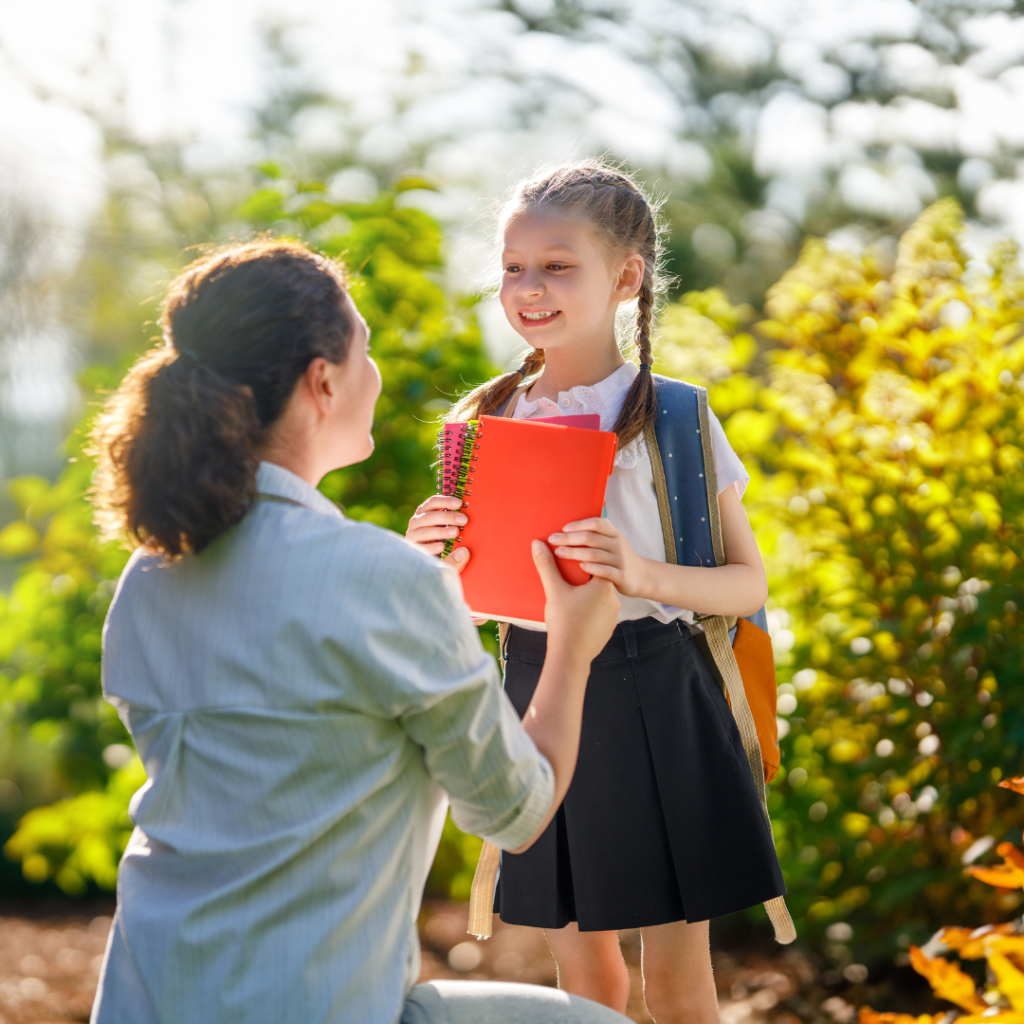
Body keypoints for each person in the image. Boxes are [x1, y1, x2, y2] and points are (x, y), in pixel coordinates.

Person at [87, 239, 629, 1024]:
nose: (374, 375)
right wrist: (573, 647)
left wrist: (424, 606)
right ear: (323, 382)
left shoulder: (149, 576)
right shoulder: (385, 582)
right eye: (364, 351)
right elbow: (517, 810)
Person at [406, 163, 786, 1024]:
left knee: (680, 988)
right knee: (589, 984)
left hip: (661, 690)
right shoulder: (484, 416)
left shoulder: (678, 415)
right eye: (513, 267)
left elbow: (746, 582)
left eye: (557, 264)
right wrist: (427, 557)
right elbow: (463, 603)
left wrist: (640, 574)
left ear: (626, 277)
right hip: (540, 692)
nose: (528, 288)